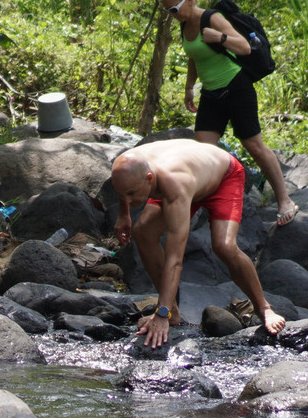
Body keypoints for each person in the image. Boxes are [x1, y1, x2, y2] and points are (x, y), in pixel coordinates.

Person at [112, 139, 287, 348]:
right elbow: (124, 185)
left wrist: (160, 314)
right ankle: (173, 311)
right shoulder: (130, 166)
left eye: (132, 194)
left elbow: (175, 259)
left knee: (224, 246)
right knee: (143, 232)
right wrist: (124, 214)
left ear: (149, 178)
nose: (128, 199)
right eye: (125, 195)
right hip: (190, 177)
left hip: (223, 177)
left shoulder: (174, 185)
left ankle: (264, 308)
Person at [160, 0, 297, 226]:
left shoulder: (213, 18)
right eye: (168, 11)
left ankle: (284, 199)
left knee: (253, 144)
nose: (172, 15)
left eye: (173, 9)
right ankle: (208, 203)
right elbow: (194, 57)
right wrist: (189, 87)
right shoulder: (184, 24)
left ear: (188, 0)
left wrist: (220, 37)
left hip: (236, 88)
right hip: (210, 94)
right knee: (202, 151)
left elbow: (244, 48)